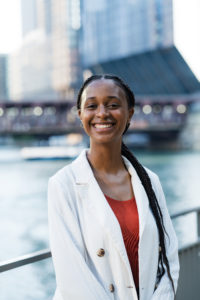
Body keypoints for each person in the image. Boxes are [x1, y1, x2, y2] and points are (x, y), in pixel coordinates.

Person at [48, 74, 179, 300]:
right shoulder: (63, 184)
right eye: (92, 106)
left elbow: (169, 260)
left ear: (129, 114)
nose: (102, 113)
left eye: (113, 105)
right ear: (80, 115)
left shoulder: (150, 181)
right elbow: (73, 278)